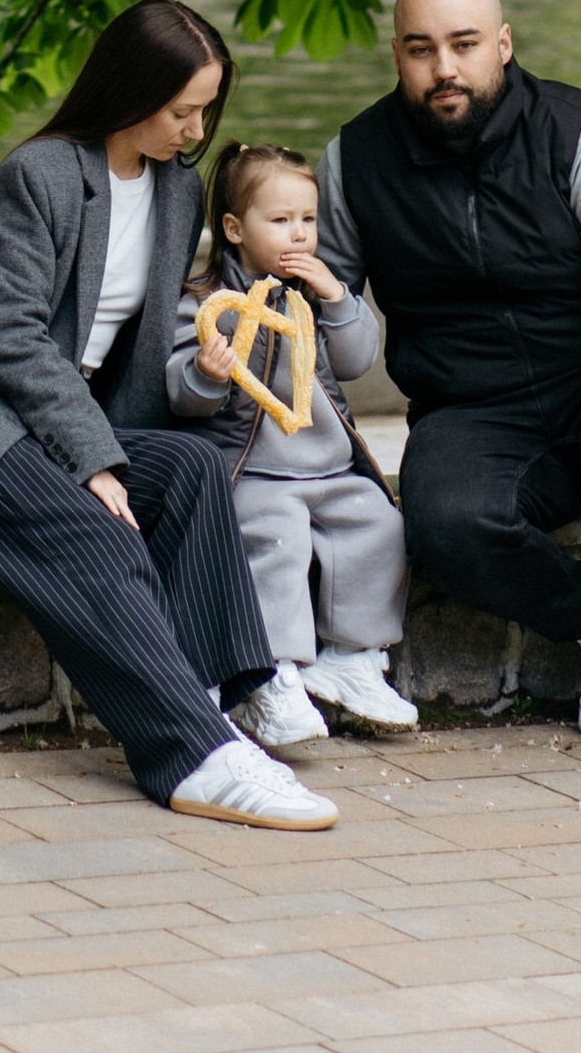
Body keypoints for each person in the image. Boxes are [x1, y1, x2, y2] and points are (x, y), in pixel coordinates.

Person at [0, 0, 340, 830]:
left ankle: (234, 694)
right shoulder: (38, 173)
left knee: (185, 472)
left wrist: (131, 449)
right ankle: (193, 757)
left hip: (56, 413)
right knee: (98, 529)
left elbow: (141, 352)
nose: (197, 129)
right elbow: (2, 332)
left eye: (207, 109)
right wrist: (95, 461)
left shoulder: (177, 192)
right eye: (183, 109)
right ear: (130, 92)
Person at [315, 0, 581, 785]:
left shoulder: (576, 132)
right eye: (421, 50)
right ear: (396, 56)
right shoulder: (354, 160)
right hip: (472, 409)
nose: (445, 70)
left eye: (465, 45)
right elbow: (333, 334)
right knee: (441, 525)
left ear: (502, 45)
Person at [165, 137, 420, 749]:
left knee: (379, 526)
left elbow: (360, 360)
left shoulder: (314, 297)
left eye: (308, 220)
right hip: (254, 472)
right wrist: (207, 371)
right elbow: (180, 395)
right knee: (276, 536)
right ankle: (270, 677)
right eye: (279, 221)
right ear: (234, 228)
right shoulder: (207, 306)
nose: (299, 235)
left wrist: (337, 296)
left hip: (330, 466)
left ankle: (352, 659)